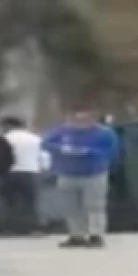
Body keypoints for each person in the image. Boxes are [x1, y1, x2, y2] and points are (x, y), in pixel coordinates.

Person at [42, 106, 120, 248]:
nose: (79, 121)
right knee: (70, 206)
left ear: (92, 118)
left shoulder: (103, 133)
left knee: (94, 206)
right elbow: (45, 144)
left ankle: (96, 235)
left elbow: (111, 151)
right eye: (76, 118)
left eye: (84, 118)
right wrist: (61, 149)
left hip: (94, 174)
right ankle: (76, 235)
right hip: (67, 173)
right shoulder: (61, 131)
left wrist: (89, 152)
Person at [0, 116, 47, 235]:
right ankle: (34, 228)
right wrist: (43, 169)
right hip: (31, 172)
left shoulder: (5, 139)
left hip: (10, 173)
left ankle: (13, 228)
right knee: (31, 202)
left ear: (7, 126)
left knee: (11, 202)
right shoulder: (35, 139)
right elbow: (43, 156)